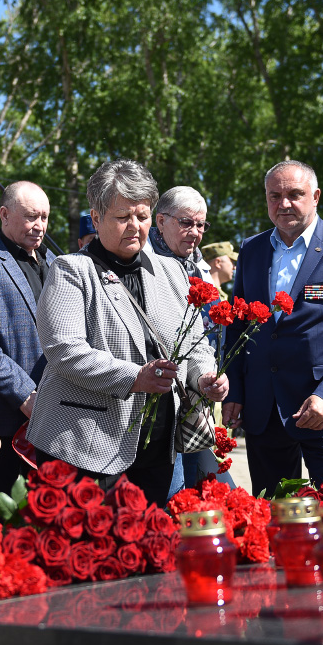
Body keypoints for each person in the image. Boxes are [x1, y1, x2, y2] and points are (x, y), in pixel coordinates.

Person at [26, 160, 228, 505]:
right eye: (123, 217)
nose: (134, 226)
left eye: (143, 216)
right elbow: (64, 350)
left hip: (157, 449)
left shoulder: (173, 272)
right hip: (83, 447)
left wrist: (204, 377)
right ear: (97, 215)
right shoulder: (70, 270)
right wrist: (135, 377)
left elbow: (195, 345)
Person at [223, 160, 323, 495]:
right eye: (274, 195)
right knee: (275, 524)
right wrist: (235, 391)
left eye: (295, 194)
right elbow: (239, 326)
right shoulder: (252, 250)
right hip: (264, 414)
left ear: (316, 196)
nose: (283, 204)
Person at [0, 181, 55, 501]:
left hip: (53, 419)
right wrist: (24, 393)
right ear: (5, 215)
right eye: (32, 216)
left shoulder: (53, 264)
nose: (40, 226)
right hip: (4, 424)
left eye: (45, 217)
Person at [147, 186, 232, 494]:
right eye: (186, 223)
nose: (195, 232)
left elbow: (198, 338)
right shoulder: (140, 262)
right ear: (160, 222)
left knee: (189, 498)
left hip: (194, 407)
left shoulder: (198, 267)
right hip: (150, 410)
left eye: (201, 225)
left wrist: (209, 376)